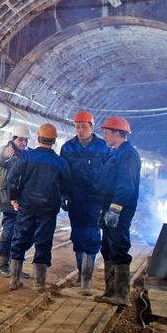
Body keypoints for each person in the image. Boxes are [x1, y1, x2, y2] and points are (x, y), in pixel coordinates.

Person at [7, 124, 72, 290]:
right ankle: (39, 283)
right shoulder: (60, 162)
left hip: (26, 205)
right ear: (54, 140)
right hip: (48, 209)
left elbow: (12, 178)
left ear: (38, 137)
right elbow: (67, 186)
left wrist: (14, 198)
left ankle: (14, 280)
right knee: (43, 242)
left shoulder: (27, 156)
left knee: (19, 239)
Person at [59, 111, 108, 295]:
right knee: (78, 236)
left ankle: (87, 279)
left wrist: (106, 199)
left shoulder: (103, 147)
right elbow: (62, 173)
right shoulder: (68, 148)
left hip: (95, 200)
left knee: (92, 236)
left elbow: (109, 174)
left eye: (83, 127)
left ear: (92, 127)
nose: (80, 130)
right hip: (75, 200)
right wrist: (63, 194)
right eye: (77, 126)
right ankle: (81, 276)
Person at [95, 116, 141, 307]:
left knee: (119, 247)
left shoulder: (128, 154)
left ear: (117, 133)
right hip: (108, 207)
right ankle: (110, 290)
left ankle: (121, 295)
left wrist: (115, 208)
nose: (104, 136)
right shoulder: (115, 152)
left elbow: (126, 184)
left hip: (119, 210)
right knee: (107, 247)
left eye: (106, 132)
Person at [0, 123, 31, 277]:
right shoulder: (6, 150)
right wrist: (4, 155)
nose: (24, 143)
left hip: (24, 201)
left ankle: (16, 266)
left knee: (23, 234)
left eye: (26, 140)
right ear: (14, 139)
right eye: (21, 140)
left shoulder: (29, 154)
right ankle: (4, 265)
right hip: (7, 200)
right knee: (9, 232)